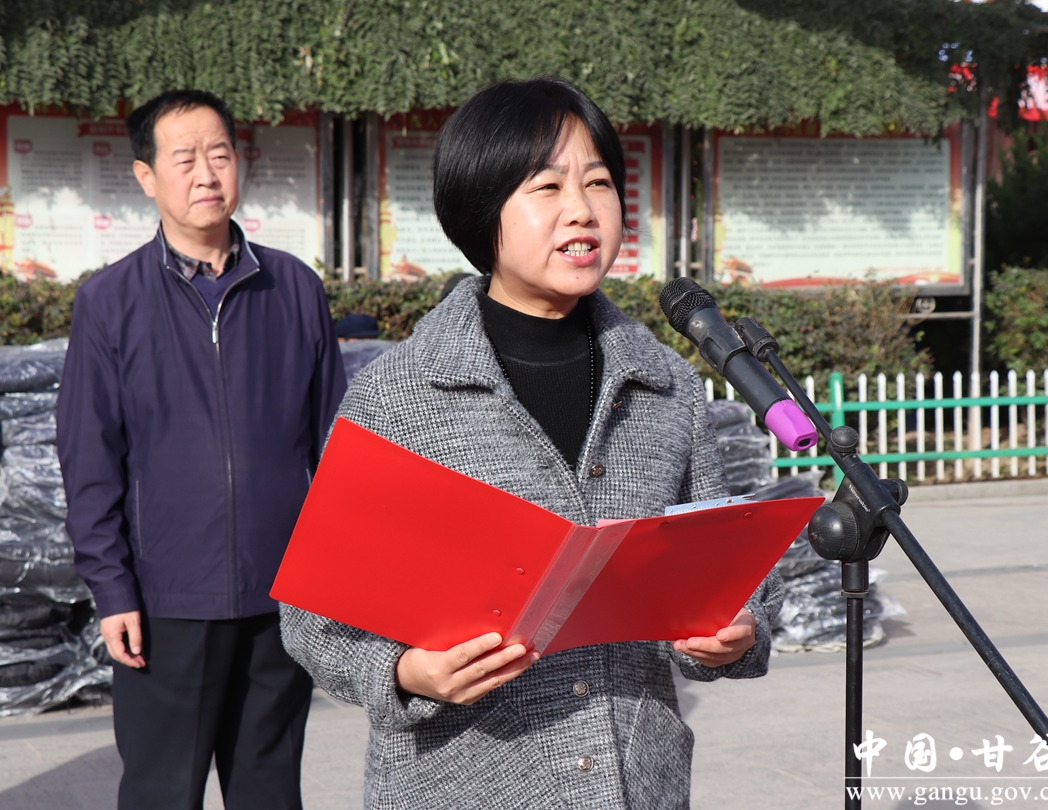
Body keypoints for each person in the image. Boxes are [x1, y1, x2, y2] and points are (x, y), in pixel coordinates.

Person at [279, 76, 783, 810]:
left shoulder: (665, 383)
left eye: (599, 182)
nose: (582, 209)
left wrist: (736, 628)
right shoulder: (398, 395)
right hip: (460, 786)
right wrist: (407, 672)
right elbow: (313, 619)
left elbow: (726, 568)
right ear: (482, 209)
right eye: (546, 186)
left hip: (635, 784)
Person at [56, 89, 346, 810]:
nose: (206, 174)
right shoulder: (110, 302)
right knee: (161, 794)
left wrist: (334, 577)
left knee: (269, 792)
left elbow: (337, 446)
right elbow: (89, 462)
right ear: (146, 176)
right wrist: (112, 589)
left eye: (219, 154)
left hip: (280, 600)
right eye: (184, 159)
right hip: (166, 604)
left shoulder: (294, 288)